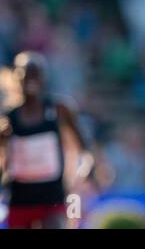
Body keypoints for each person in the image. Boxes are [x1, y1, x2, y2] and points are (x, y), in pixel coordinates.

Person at [0, 51, 94, 229]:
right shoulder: (8, 118)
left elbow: (84, 147)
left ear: (44, 78)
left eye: (36, 74)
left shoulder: (59, 109)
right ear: (16, 78)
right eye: (26, 74)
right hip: (20, 198)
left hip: (52, 197)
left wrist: (87, 168)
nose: (31, 80)